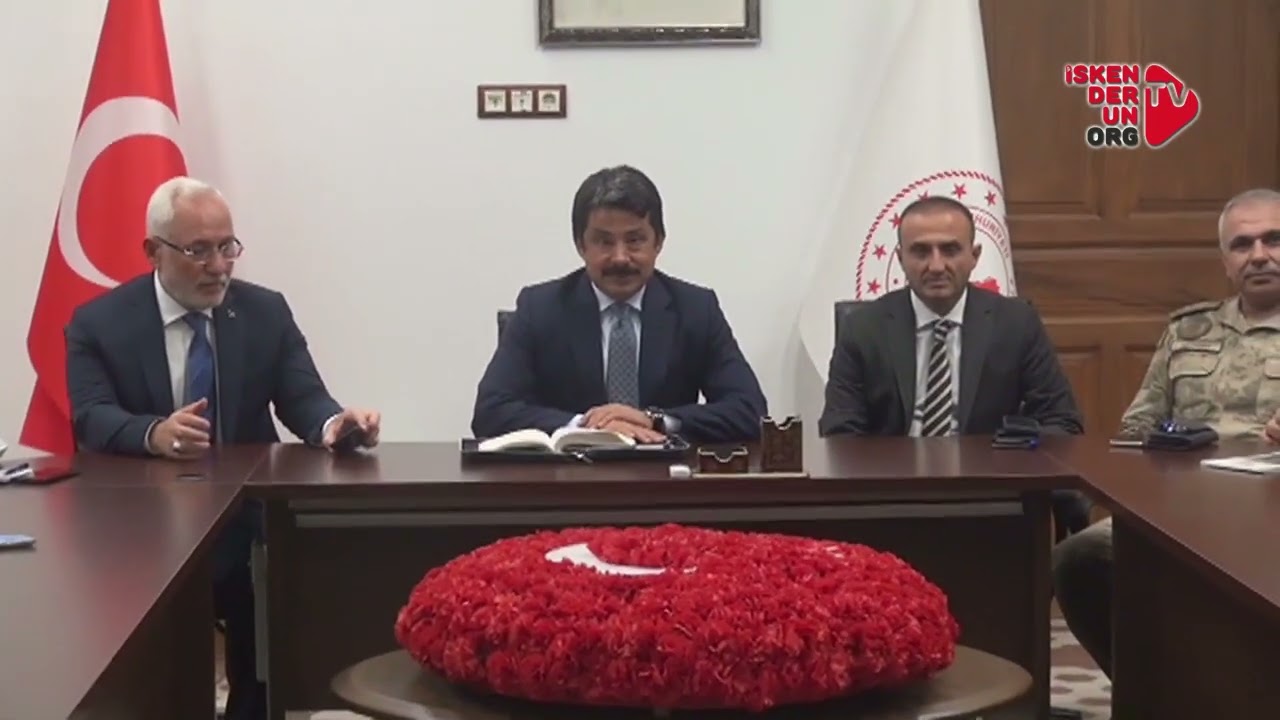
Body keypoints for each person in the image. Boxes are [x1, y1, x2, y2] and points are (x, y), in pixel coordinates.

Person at [65, 176, 381, 720]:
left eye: (227, 247)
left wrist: (335, 424)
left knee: (275, 607)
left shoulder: (264, 312)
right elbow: (91, 415)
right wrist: (153, 433)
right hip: (142, 523)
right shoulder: (99, 324)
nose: (218, 266)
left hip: (243, 518)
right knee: (154, 668)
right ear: (153, 252)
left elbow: (303, 397)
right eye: (198, 251)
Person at [1053, 187, 1280, 679]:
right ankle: (1149, 689)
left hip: (1270, 515)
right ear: (1226, 262)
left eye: (1273, 239)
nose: (1259, 255)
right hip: (1183, 512)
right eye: (1242, 244)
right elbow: (1135, 430)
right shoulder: (1188, 331)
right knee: (1078, 557)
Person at [817, 195, 1090, 536]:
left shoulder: (1016, 323)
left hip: (992, 501)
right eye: (920, 251)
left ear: (974, 255)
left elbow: (1062, 424)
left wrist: (1003, 458)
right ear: (900, 258)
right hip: (891, 503)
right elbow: (840, 434)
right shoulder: (863, 328)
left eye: (950, 250)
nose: (936, 266)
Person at [471, 164, 767, 444]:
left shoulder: (696, 309)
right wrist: (586, 425)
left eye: (635, 240)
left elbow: (750, 411)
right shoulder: (540, 309)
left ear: (658, 242)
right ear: (581, 245)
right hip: (570, 475)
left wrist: (655, 420)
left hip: (664, 475)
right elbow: (490, 411)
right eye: (604, 242)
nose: (620, 258)